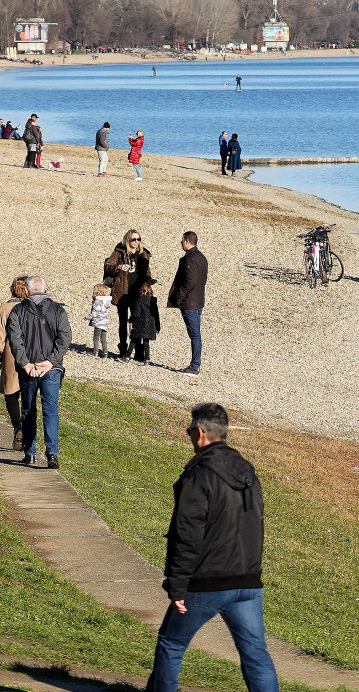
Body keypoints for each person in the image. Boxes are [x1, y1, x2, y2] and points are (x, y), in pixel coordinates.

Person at [144, 402, 278, 692]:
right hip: (248, 582)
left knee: (172, 644)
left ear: (201, 432)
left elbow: (186, 534)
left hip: (207, 582)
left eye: (190, 431)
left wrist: (177, 586)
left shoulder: (197, 475)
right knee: (255, 654)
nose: (190, 437)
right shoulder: (247, 472)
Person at [5, 275, 71, 469]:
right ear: (46, 288)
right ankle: (52, 454)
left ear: (26, 290)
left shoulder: (17, 311)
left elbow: (15, 340)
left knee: (28, 410)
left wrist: (25, 364)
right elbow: (65, 338)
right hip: (51, 369)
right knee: (51, 410)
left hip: (29, 369)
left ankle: (30, 452)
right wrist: (51, 362)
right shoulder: (58, 310)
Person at [104, 229, 153, 361]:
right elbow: (108, 265)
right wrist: (119, 267)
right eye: (133, 239)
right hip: (122, 292)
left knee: (137, 322)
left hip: (138, 293)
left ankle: (138, 352)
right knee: (123, 322)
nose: (136, 242)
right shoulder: (119, 251)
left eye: (138, 239)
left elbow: (147, 272)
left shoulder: (143, 254)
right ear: (127, 240)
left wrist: (149, 281)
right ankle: (123, 350)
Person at [0, 277, 29, 449]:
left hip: (11, 351)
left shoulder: (4, 308)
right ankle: (28, 428)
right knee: (28, 391)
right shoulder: (32, 308)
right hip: (31, 351)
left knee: (10, 392)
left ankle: (18, 426)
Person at [167, 231, 208, 377]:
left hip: (190, 302)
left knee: (195, 335)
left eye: (181, 240)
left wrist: (179, 297)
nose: (180, 243)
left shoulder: (189, 259)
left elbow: (190, 281)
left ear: (185, 241)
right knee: (195, 334)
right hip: (198, 300)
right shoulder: (202, 257)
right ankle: (195, 365)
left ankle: (194, 366)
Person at [128, 281, 161, 364]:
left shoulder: (138, 301)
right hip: (150, 325)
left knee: (133, 341)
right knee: (146, 343)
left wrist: (130, 319)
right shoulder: (153, 302)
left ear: (141, 292)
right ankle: (147, 360)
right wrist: (158, 326)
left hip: (139, 324)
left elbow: (137, 314)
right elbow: (156, 315)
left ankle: (127, 357)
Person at [85, 283, 113, 359]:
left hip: (98, 323)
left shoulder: (97, 301)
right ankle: (105, 353)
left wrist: (87, 317)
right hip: (105, 322)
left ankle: (95, 352)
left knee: (96, 338)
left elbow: (94, 313)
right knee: (103, 339)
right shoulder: (107, 301)